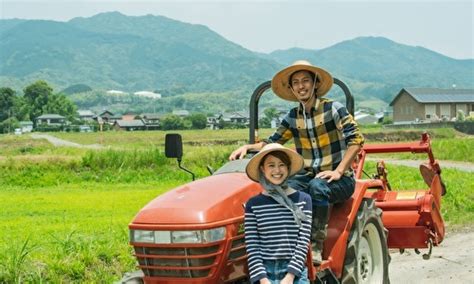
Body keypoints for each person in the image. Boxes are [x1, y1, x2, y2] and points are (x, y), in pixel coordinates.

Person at [230, 60, 364, 264]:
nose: (301, 86)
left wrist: (338, 171)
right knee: (282, 188)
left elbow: (356, 140)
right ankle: (283, 242)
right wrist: (248, 147)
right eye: (296, 82)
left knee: (317, 187)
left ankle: (316, 246)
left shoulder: (333, 109)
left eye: (305, 81)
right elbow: (272, 142)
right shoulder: (293, 117)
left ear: (315, 84)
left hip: (340, 180)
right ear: (291, 89)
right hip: (309, 176)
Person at [244, 143, 312, 284]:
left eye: (281, 164)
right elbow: (252, 245)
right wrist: (263, 279)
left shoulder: (304, 200)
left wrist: (290, 276)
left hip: (295, 271)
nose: (277, 170)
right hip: (264, 271)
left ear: (288, 168)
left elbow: (303, 241)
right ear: (262, 169)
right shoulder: (253, 204)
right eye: (271, 165)